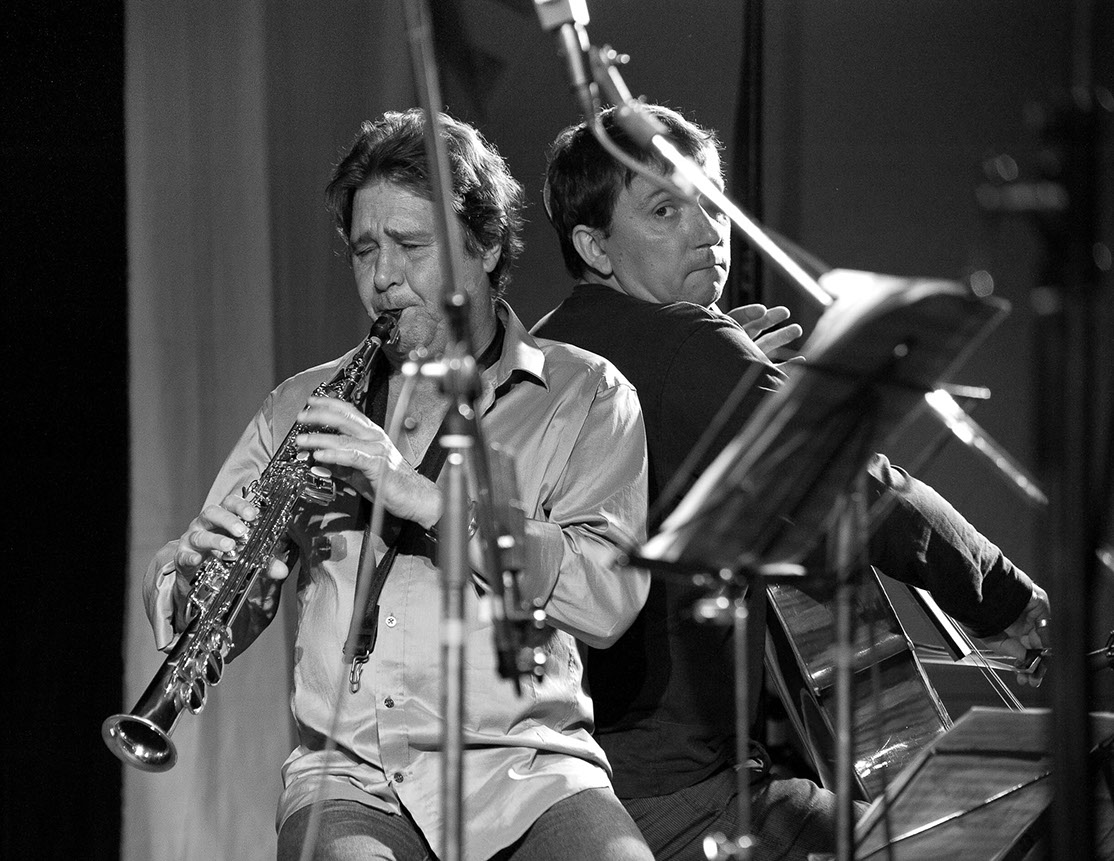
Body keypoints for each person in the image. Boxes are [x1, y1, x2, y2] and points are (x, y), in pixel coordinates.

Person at [532, 104, 1051, 861]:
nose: (708, 232)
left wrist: (731, 367)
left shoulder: (545, 349)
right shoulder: (690, 345)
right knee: (993, 836)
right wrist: (1003, 596)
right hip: (679, 799)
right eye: (665, 210)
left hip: (562, 796)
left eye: (713, 202)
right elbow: (858, 489)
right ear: (593, 245)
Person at [143, 109, 657, 861]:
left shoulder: (586, 394)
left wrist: (418, 495)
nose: (382, 278)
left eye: (411, 246)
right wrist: (194, 582)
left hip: (528, 769)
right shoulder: (300, 406)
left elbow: (607, 596)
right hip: (350, 779)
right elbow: (221, 600)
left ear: (485, 244)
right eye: (364, 250)